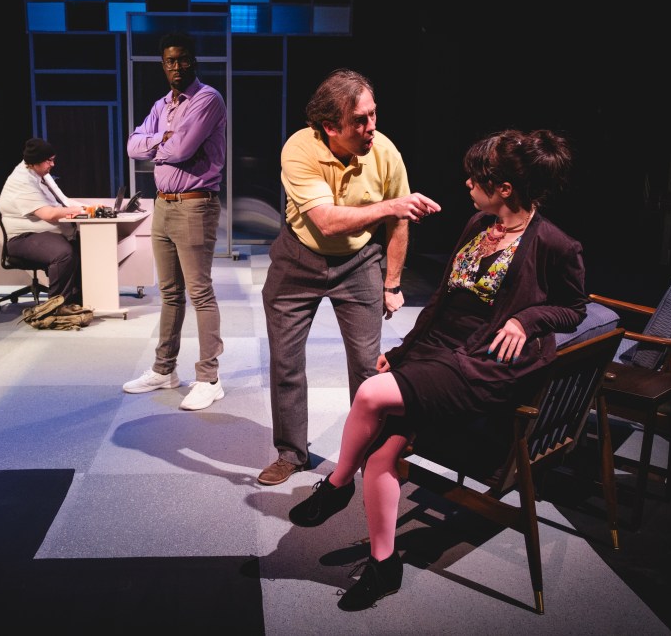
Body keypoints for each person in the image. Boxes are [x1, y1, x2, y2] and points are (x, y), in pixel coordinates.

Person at [285, 128, 587, 611]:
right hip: (441, 349)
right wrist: (406, 352)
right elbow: (443, 300)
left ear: (504, 188)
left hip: (483, 363)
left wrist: (526, 319)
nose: (467, 183)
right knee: (381, 455)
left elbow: (573, 308)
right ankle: (385, 566)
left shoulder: (554, 243)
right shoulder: (479, 223)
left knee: (370, 394)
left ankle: (337, 485)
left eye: (476, 177)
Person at [258, 68, 441, 487]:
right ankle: (291, 453)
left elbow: (400, 224)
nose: (371, 126)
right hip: (298, 259)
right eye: (359, 120)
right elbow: (326, 221)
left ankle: (369, 454)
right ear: (330, 127)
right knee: (286, 363)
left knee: (367, 367)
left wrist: (392, 283)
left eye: (373, 114)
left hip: (359, 262)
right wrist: (391, 207)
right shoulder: (299, 149)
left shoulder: (386, 152)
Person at [123, 31, 228, 411]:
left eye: (183, 59)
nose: (177, 67)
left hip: (195, 205)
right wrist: (161, 140)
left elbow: (182, 149)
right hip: (163, 206)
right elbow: (132, 146)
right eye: (170, 61)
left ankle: (209, 378)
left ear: (193, 60)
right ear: (163, 65)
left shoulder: (207, 99)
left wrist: (158, 143)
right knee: (169, 293)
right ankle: (164, 369)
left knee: (200, 292)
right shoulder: (161, 105)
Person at [0, 137, 87, 313]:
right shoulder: (22, 180)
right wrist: (83, 210)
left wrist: (92, 208)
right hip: (23, 238)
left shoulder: (41, 174)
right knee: (63, 253)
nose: (53, 164)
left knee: (84, 247)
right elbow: (49, 214)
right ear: (34, 162)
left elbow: (63, 201)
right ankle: (55, 307)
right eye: (49, 160)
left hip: (41, 234)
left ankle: (77, 299)